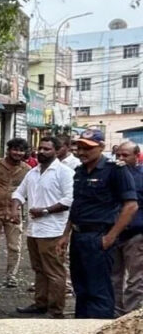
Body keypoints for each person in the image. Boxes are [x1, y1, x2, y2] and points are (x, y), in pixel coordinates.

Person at [60, 129, 138, 318]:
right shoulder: (79, 171)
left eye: (87, 148)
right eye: (79, 147)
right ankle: (81, 333)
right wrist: (65, 234)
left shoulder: (115, 170)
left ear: (101, 147)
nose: (82, 152)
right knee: (81, 289)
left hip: (99, 237)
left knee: (99, 291)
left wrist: (110, 237)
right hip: (79, 237)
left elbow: (131, 206)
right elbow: (77, 205)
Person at [12, 137, 75, 318]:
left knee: (54, 271)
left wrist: (46, 211)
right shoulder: (33, 173)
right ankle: (41, 303)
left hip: (54, 230)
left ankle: (55, 310)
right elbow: (19, 192)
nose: (41, 151)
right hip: (34, 230)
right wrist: (15, 208)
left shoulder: (64, 172)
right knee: (39, 269)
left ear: (56, 151)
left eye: (47, 149)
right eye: (40, 148)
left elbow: (69, 200)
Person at [0, 138, 31, 288]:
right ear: (8, 150)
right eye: (15, 149)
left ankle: (12, 277)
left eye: (21, 150)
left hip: (14, 212)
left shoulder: (27, 170)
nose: (18, 153)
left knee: (15, 247)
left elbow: (29, 191)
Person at [113, 141, 143, 316]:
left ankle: (131, 316)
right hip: (113, 233)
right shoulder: (112, 174)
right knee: (113, 277)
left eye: (125, 155)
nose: (121, 158)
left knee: (136, 279)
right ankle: (116, 315)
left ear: (136, 155)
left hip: (135, 235)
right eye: (118, 155)